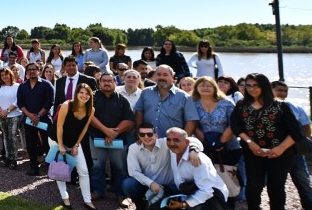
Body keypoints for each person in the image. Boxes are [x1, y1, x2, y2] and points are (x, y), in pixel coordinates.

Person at [230, 73, 304, 210]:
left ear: (264, 86)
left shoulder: (281, 106)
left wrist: (280, 148)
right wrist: (249, 142)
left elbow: (296, 132)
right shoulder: (241, 105)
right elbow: (236, 126)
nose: (252, 89)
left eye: (256, 85)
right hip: (253, 152)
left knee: (275, 187)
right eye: (249, 86)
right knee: (253, 186)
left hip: (280, 153)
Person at [123, 123, 204, 210]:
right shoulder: (133, 148)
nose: (146, 137)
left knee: (190, 196)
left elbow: (191, 140)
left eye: (150, 134)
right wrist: (151, 184)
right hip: (146, 185)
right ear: (138, 136)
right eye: (142, 134)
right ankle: (141, 206)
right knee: (128, 184)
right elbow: (133, 171)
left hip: (169, 186)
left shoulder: (166, 143)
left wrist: (193, 150)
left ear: (156, 135)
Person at [191, 77, 240, 208]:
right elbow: (193, 124)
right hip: (205, 147)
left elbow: (234, 124)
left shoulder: (227, 103)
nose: (205, 87)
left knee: (227, 177)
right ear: (196, 88)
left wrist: (221, 142)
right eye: (201, 85)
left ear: (215, 88)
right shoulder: (192, 103)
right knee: (208, 179)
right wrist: (206, 142)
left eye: (209, 85)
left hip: (228, 147)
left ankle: (230, 204)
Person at [88, 73, 135, 206]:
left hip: (118, 140)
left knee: (120, 167)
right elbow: (89, 117)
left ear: (115, 83)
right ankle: (98, 191)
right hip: (96, 139)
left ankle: (121, 194)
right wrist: (106, 131)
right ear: (99, 83)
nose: (107, 83)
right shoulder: (93, 98)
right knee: (97, 166)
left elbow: (130, 121)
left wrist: (113, 133)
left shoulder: (122, 99)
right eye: (104, 81)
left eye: (110, 81)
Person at [272, 81, 312, 210]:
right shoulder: (266, 107)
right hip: (274, 151)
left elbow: (306, 127)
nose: (283, 93)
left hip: (295, 152)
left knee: (303, 181)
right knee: (273, 183)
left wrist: (302, 142)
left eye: (285, 91)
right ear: (270, 90)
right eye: (279, 90)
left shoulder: (296, 107)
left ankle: (311, 206)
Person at [49, 83, 96, 210]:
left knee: (84, 171)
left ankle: (87, 200)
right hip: (56, 139)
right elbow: (59, 126)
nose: (84, 95)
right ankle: (65, 198)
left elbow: (85, 128)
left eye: (87, 93)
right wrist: (60, 145)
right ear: (76, 93)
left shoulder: (91, 109)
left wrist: (76, 145)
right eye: (81, 92)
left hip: (74, 142)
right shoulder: (67, 105)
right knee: (60, 169)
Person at [165, 127, 230, 210]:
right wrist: (194, 148)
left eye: (176, 140)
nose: (171, 143)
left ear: (187, 142)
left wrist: (183, 205)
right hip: (189, 193)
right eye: (169, 140)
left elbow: (207, 191)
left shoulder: (198, 160)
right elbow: (194, 141)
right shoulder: (173, 150)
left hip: (212, 197)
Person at [135, 65, 199, 136]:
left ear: (172, 76)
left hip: (172, 143)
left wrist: (183, 140)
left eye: (165, 75)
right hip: (148, 139)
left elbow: (191, 121)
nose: (161, 77)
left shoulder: (184, 97)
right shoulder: (145, 92)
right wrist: (140, 134)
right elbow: (139, 112)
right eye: (158, 74)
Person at [17, 63, 55, 176]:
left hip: (44, 119)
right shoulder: (22, 86)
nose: (32, 71)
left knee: (48, 144)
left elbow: (50, 102)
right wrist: (29, 115)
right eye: (29, 70)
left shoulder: (47, 85)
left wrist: (38, 115)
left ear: (39, 70)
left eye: (34, 69)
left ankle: (51, 168)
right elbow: (20, 103)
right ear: (27, 72)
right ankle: (34, 167)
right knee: (31, 144)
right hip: (29, 120)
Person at [0, 68, 22, 169]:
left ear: (10, 75)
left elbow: (18, 100)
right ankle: (7, 157)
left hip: (14, 115)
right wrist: (0, 110)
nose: (4, 77)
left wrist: (7, 111)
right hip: (1, 114)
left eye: (6, 74)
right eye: (2, 75)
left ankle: (14, 159)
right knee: (5, 136)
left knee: (12, 136)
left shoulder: (17, 86)